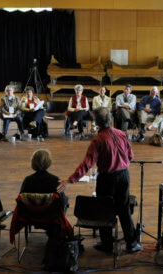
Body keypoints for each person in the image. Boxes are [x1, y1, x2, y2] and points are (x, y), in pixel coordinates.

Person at [58, 107, 142, 254]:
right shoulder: (122, 134)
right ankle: (132, 243)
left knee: (105, 209)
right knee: (124, 209)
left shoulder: (97, 140)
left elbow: (87, 164)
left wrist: (71, 180)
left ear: (97, 122)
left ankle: (107, 244)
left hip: (107, 179)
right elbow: (131, 156)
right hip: (124, 176)